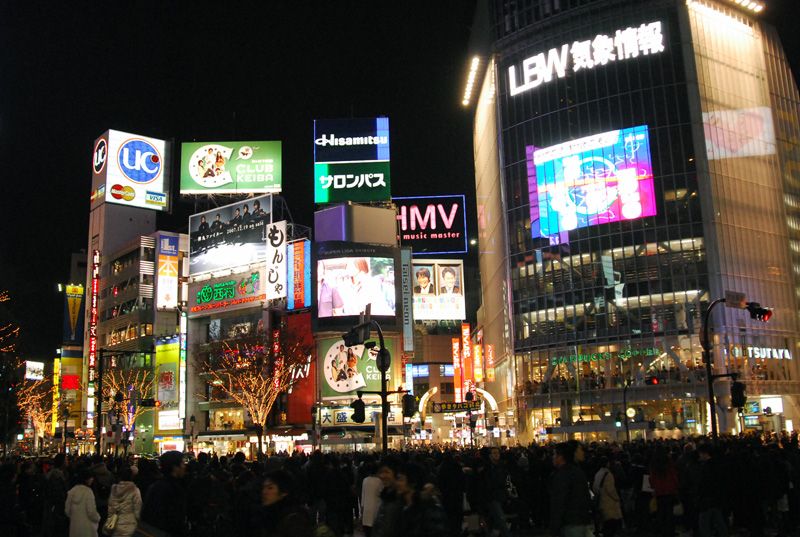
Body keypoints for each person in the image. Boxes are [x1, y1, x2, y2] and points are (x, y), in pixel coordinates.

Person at [139, 451, 189, 537]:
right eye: (182, 463)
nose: (184, 466)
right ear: (175, 467)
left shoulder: (155, 486)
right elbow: (174, 520)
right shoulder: (173, 489)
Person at [550, 442, 592, 537]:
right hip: (580, 520)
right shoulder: (577, 471)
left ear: (561, 457)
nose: (553, 457)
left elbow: (559, 501)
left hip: (570, 523)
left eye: (554, 454)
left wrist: (555, 527)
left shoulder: (563, 475)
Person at [394, 463, 448, 537]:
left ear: (413, 482)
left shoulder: (429, 507)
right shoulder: (401, 506)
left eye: (400, 480)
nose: (397, 483)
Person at [255, 470, 314, 537]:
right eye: (263, 487)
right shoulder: (270, 513)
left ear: (284, 492)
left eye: (270, 488)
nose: (264, 492)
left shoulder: (294, 520)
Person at [65, 466, 101, 537]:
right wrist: (98, 518)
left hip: (75, 527)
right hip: (88, 528)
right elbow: (91, 512)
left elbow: (67, 511)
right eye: (91, 478)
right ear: (86, 479)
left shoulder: (72, 491)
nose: (92, 479)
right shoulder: (88, 492)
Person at [108, 466, 142, 537]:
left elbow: (111, 506)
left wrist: (110, 517)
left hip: (115, 522)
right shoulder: (135, 490)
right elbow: (138, 509)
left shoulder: (114, 488)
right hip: (129, 524)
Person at [593, 456, 623, 537]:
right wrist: (617, 498)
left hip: (601, 501)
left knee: (605, 524)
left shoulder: (598, 473)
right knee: (610, 525)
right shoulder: (608, 474)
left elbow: (595, 487)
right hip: (609, 502)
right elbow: (610, 489)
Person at [360, 462, 383, 537]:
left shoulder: (365, 480)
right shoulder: (380, 481)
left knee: (367, 533)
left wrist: (362, 511)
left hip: (366, 510)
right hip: (376, 510)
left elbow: (363, 496)